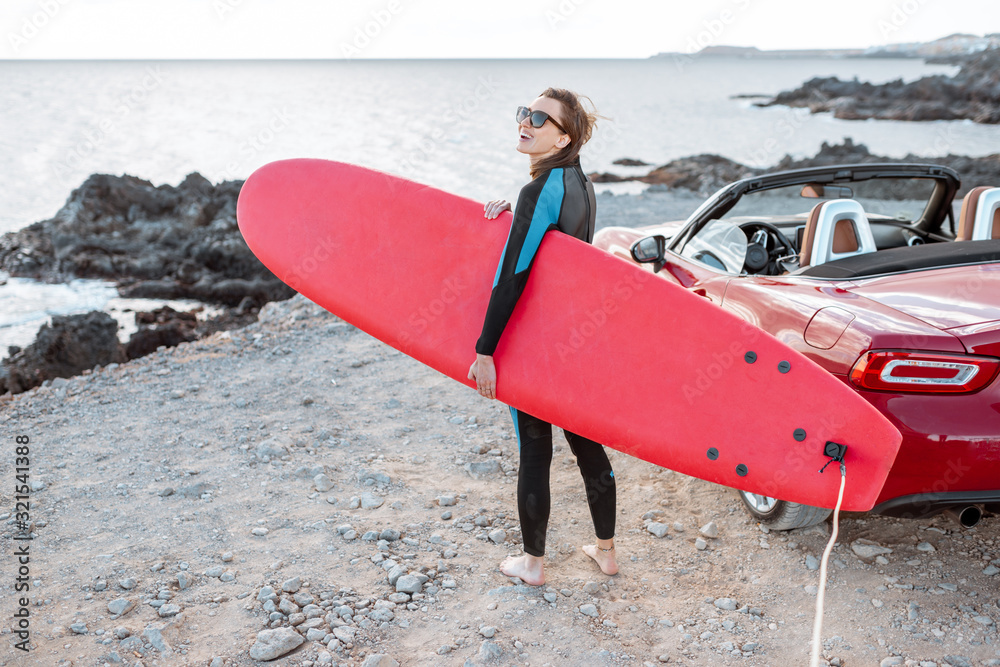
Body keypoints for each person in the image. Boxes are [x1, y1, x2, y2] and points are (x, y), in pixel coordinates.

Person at [467, 88, 618, 586]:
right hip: (576, 342)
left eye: (537, 118)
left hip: (537, 345)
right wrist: (512, 218)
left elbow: (513, 274)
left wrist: (485, 350)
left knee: (534, 449)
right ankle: (606, 551)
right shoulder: (582, 183)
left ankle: (532, 565)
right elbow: (561, 250)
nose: (524, 123)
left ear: (562, 136)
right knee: (587, 446)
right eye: (523, 113)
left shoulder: (540, 190)